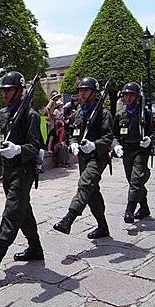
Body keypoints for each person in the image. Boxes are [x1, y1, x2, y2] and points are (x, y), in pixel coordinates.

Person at [0, 71, 44, 273]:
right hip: (7, 170)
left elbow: (36, 145)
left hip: (24, 170)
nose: (5, 94)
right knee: (23, 209)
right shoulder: (2, 114)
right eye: (4, 90)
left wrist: (18, 149)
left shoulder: (30, 115)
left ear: (20, 91)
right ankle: (35, 248)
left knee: (13, 208)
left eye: (9, 90)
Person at [53, 77, 114, 239]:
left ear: (94, 93)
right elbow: (74, 132)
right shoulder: (80, 111)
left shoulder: (103, 112)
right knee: (92, 191)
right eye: (80, 90)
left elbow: (108, 137)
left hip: (97, 156)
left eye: (85, 90)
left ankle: (68, 219)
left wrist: (94, 145)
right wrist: (73, 142)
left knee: (85, 184)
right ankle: (103, 226)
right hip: (83, 157)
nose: (82, 93)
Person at [112, 83, 155, 223]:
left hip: (140, 150)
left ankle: (129, 210)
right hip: (126, 151)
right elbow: (114, 135)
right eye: (126, 94)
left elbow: (153, 132)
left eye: (131, 94)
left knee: (135, 180)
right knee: (132, 181)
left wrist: (149, 139)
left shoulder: (145, 113)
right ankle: (144, 208)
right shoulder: (120, 114)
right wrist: (116, 146)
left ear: (137, 96)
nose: (128, 97)